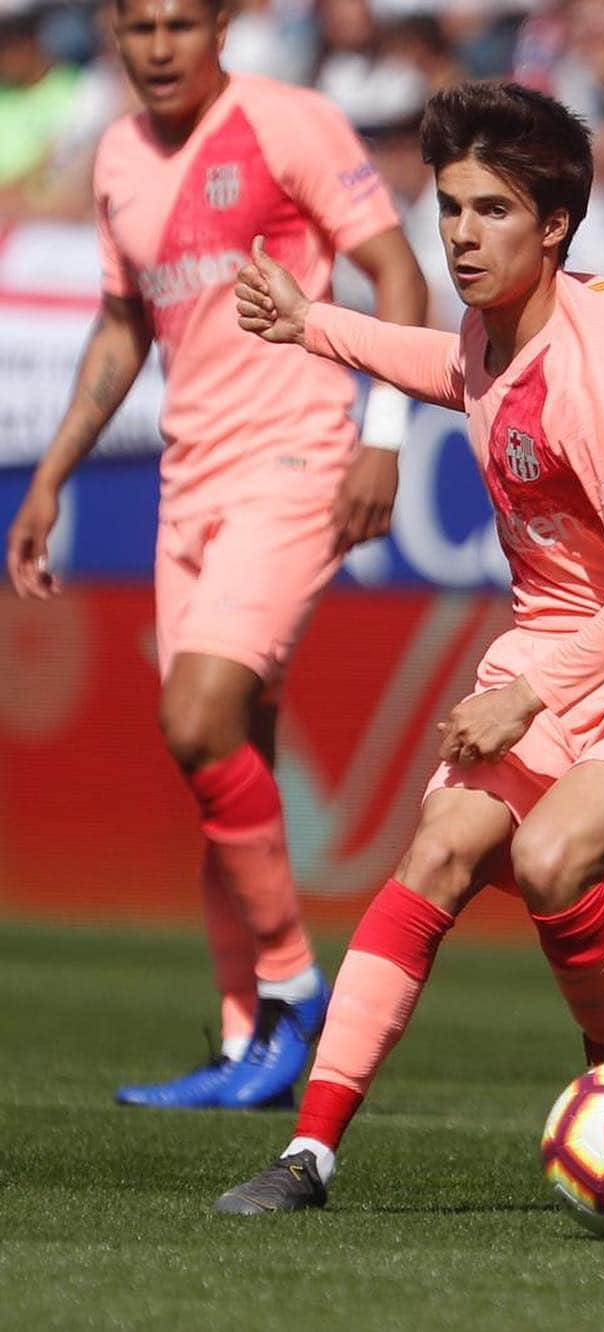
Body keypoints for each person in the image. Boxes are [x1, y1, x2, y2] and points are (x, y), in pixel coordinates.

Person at [214, 79, 604, 1215]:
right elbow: (449, 369)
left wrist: (528, 697)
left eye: (491, 212)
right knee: (439, 850)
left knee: (553, 859)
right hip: (561, 645)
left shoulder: (596, 359)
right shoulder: (495, 325)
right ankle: (307, 1155)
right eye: (450, 207)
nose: (460, 236)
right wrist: (309, 323)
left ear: (554, 226)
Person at [5, 0, 427, 1110]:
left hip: (294, 458)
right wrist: (49, 476)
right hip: (186, 481)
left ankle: (296, 996)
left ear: (222, 27)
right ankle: (250, 1044)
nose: (157, 46)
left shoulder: (289, 124)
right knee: (224, 759)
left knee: (196, 718)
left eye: (180, 23)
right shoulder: (116, 158)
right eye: (137, 24)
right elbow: (120, 327)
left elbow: (398, 276)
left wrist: (384, 438)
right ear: (110, 30)